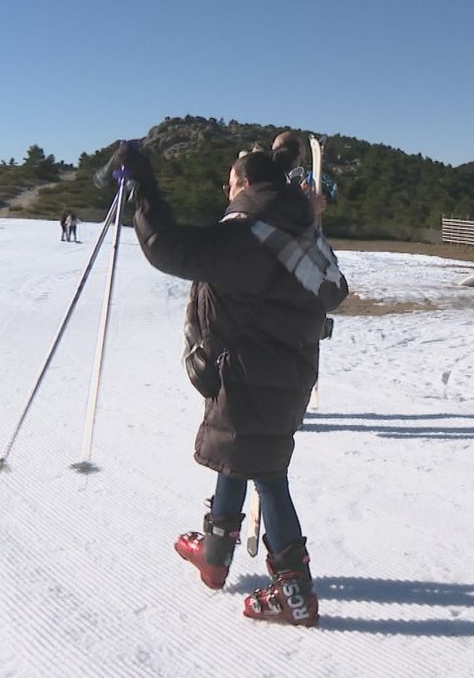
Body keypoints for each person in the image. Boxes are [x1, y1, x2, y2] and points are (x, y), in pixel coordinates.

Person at [114, 141, 348, 627]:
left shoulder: (246, 238)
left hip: (251, 370)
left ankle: (295, 591)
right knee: (241, 446)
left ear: (241, 184)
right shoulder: (296, 226)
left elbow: (167, 246)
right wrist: (280, 166)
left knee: (266, 472)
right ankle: (216, 554)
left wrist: (144, 186)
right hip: (283, 370)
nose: (226, 188)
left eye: (230, 181)